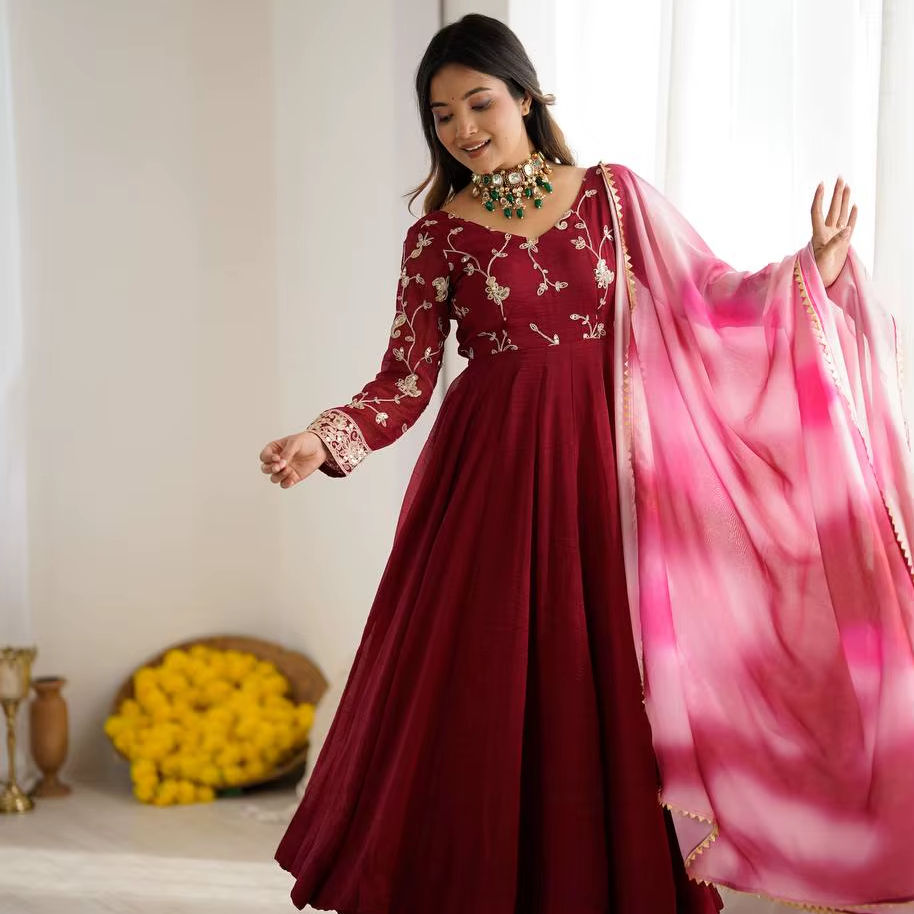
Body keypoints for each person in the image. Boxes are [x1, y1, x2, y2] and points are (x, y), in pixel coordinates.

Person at [262, 13, 914, 914]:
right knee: (485, 678)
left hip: (608, 474)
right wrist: (325, 437)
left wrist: (813, 266)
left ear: (526, 97)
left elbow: (708, 299)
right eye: (442, 116)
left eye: (479, 103)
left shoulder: (612, 196)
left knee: (599, 672)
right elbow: (404, 381)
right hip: (489, 485)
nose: (463, 129)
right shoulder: (437, 239)